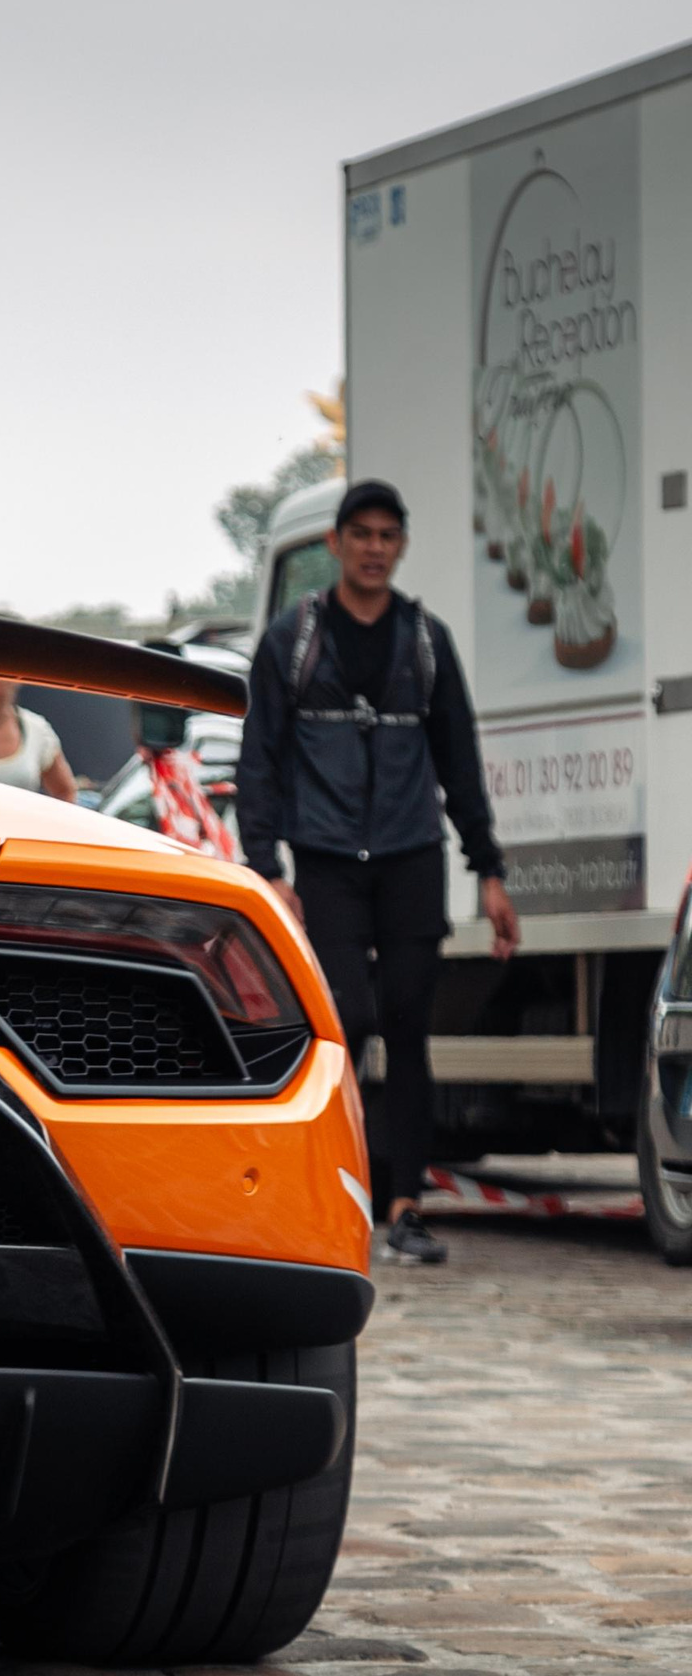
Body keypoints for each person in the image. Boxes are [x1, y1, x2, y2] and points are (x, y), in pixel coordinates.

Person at [236, 476, 520, 1267]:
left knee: (407, 1024)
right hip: (325, 862)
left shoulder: (425, 642)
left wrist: (488, 872)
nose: (372, 548)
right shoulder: (294, 641)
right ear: (335, 543)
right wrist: (266, 866)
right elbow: (259, 761)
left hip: (410, 859)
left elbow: (459, 761)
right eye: (359, 534)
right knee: (347, 1020)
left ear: (400, 546)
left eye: (386, 536)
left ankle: (405, 1207)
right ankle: (341, 1187)